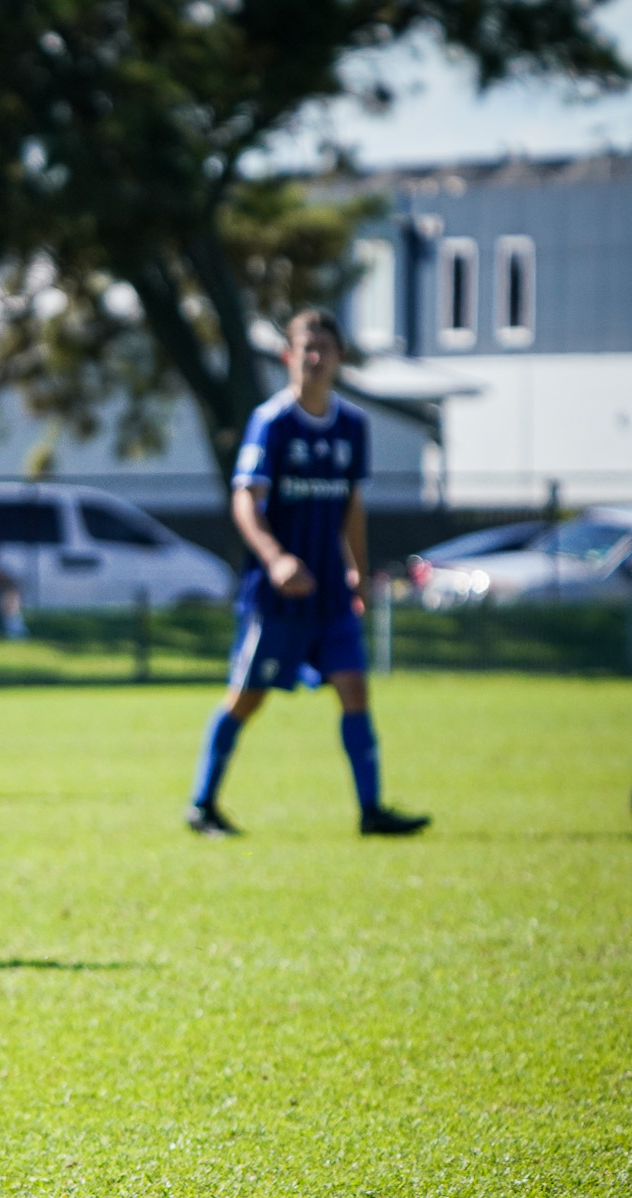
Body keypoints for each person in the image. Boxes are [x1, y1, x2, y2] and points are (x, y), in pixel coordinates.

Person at [186, 309, 430, 839]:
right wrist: (275, 558)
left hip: (331, 599)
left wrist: (358, 574)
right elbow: (245, 502)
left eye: (325, 348)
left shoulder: (351, 427)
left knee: (355, 691)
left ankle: (371, 811)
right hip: (277, 599)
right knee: (247, 698)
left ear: (340, 358)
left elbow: (352, 508)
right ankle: (202, 805)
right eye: (306, 348)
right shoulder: (271, 421)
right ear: (287, 356)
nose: (315, 358)